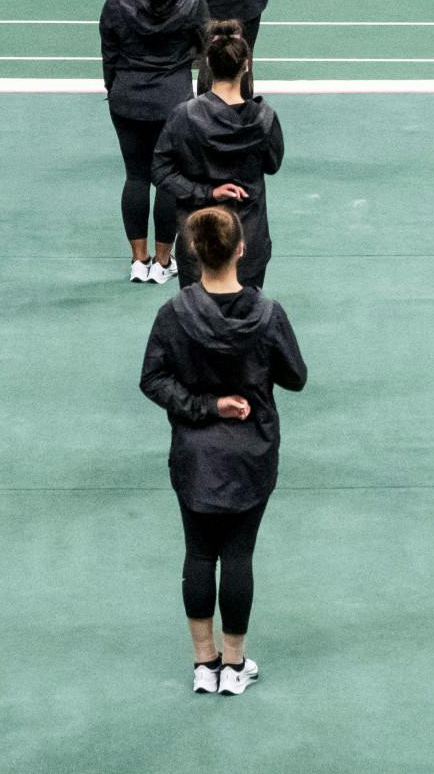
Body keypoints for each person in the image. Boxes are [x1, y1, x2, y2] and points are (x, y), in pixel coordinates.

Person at [140, 205, 307, 696]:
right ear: (240, 248)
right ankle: (234, 665)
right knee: (238, 555)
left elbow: (152, 379)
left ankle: (202, 662)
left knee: (198, 553)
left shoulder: (173, 313)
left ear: (193, 251)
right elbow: (295, 377)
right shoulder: (268, 314)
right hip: (252, 451)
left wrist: (205, 404)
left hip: (195, 452)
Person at [101, 0, 211, 284]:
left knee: (136, 176)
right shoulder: (192, 1)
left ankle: (138, 260)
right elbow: (202, 48)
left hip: (127, 100)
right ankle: (163, 264)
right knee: (168, 180)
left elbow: (110, 54)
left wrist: (114, 88)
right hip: (173, 103)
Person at [153, 20, 285, 290]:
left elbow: (160, 170)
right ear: (246, 64)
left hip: (198, 241)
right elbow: (272, 165)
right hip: (249, 240)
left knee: (196, 322)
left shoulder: (184, 116)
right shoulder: (265, 119)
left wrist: (207, 193)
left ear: (208, 65)